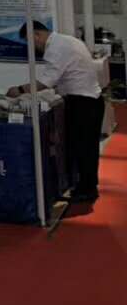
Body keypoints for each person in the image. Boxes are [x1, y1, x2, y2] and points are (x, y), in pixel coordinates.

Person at [11, 22, 104, 204]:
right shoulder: (67, 40)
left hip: (83, 103)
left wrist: (19, 90)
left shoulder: (56, 48)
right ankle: (85, 186)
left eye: (31, 42)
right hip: (89, 100)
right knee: (85, 147)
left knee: (84, 148)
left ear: (36, 34)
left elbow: (47, 81)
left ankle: (87, 190)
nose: (33, 47)